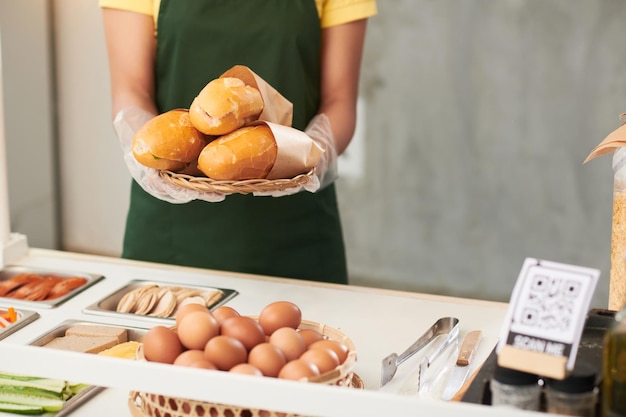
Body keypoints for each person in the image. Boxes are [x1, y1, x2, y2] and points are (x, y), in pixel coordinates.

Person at [99, 0, 378, 285]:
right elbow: (131, 90)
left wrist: (311, 154)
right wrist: (144, 155)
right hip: (170, 230)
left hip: (295, 232)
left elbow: (340, 100)